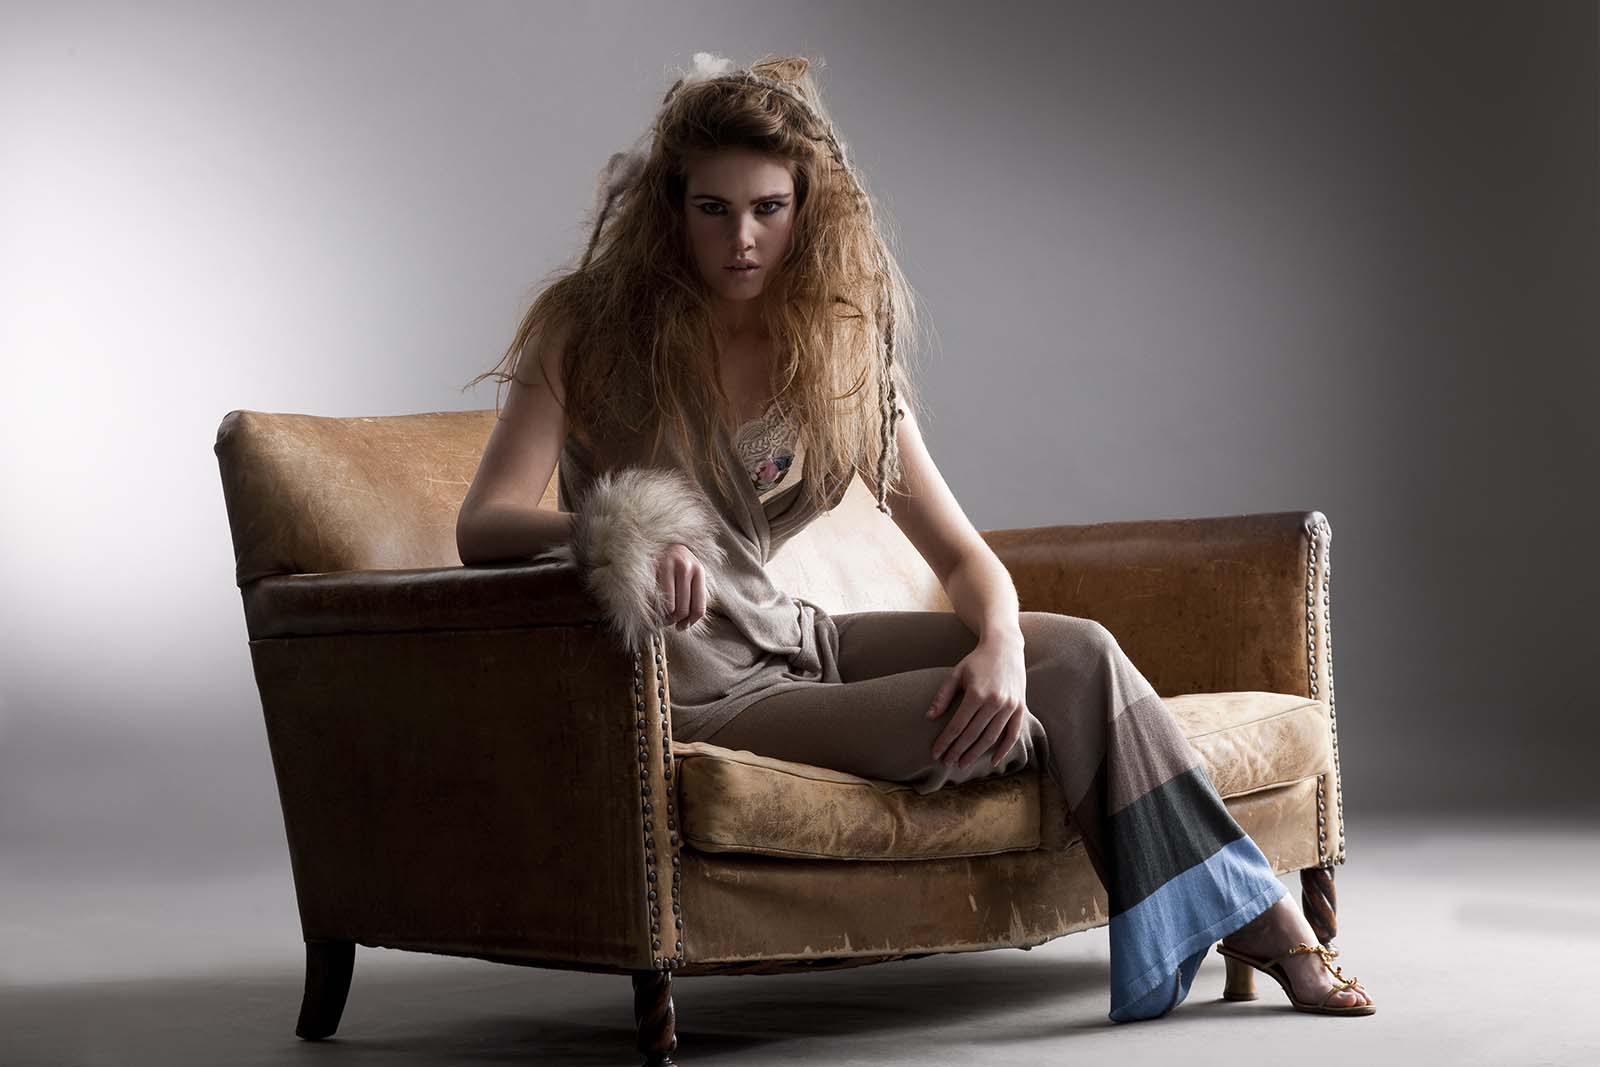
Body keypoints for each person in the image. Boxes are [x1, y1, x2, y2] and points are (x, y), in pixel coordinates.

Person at [457, 51, 1374, 1022]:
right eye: (713, 208)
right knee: (990, 728)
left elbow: (962, 556)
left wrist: (1003, 645)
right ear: (669, 208)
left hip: (801, 639)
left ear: (807, 210)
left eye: (769, 208)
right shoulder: (589, 329)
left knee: (1078, 657)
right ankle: (1261, 918)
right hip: (699, 687)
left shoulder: (834, 350)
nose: (742, 238)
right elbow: (484, 524)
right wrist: (625, 535)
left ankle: (1250, 911)